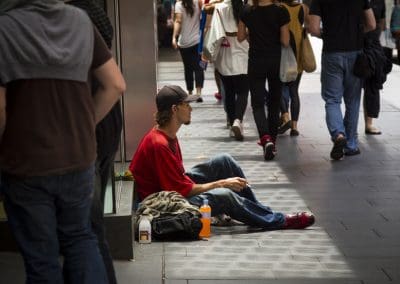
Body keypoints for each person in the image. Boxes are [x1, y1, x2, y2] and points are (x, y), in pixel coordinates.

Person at [0, 0, 126, 283]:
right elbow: (115, 85)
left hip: (26, 165)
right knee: (81, 238)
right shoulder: (81, 22)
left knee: (42, 259)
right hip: (79, 160)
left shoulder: (5, 27)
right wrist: (84, 126)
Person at [129, 85, 315, 231]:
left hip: (172, 188)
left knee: (224, 160)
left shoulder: (168, 134)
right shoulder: (158, 144)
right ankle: (278, 220)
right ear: (174, 109)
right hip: (162, 202)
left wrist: (220, 181)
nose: (191, 109)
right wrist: (221, 183)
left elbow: (179, 179)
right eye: (186, 104)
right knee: (225, 195)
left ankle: (259, 212)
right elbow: (180, 192)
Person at [65, 1, 121, 283]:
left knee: (86, 231)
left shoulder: (75, 17)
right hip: (106, 124)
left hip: (91, 128)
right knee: (89, 230)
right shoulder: (91, 13)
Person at [308, 0, 376, 159]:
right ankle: (351, 145)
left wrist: (329, 35)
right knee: (353, 101)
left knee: (332, 99)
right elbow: (372, 24)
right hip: (356, 53)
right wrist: (357, 33)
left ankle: (338, 134)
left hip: (332, 53)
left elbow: (313, 28)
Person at [237, 0, 290, 160]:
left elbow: (240, 37)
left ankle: (265, 138)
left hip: (256, 61)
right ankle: (272, 142)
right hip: (276, 61)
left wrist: (252, 36)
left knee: (257, 104)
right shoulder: (281, 11)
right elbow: (285, 41)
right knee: (274, 103)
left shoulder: (246, 11)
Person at [209, 0, 249, 140]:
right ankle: (238, 120)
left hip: (225, 54)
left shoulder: (219, 8)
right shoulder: (246, 8)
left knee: (229, 92)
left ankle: (232, 123)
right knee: (243, 92)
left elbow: (215, 33)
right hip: (243, 53)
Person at [277, 0, 309, 137]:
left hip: (283, 54)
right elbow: (306, 26)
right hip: (298, 54)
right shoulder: (302, 8)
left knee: (278, 88)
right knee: (294, 91)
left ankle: (285, 116)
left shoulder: (279, 8)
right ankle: (294, 127)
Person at [172, 0, 205, 101]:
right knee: (199, 66)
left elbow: (178, 21)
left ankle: (190, 92)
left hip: (184, 42)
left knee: (188, 68)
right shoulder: (198, 2)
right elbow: (204, 14)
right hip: (197, 41)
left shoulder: (179, 4)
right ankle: (198, 93)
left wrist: (174, 37)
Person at [363, 0, 386, 135]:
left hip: (374, 45)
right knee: (354, 85)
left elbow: (382, 24)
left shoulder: (380, 1)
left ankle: (369, 123)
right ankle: (351, 123)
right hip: (357, 43)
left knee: (372, 84)